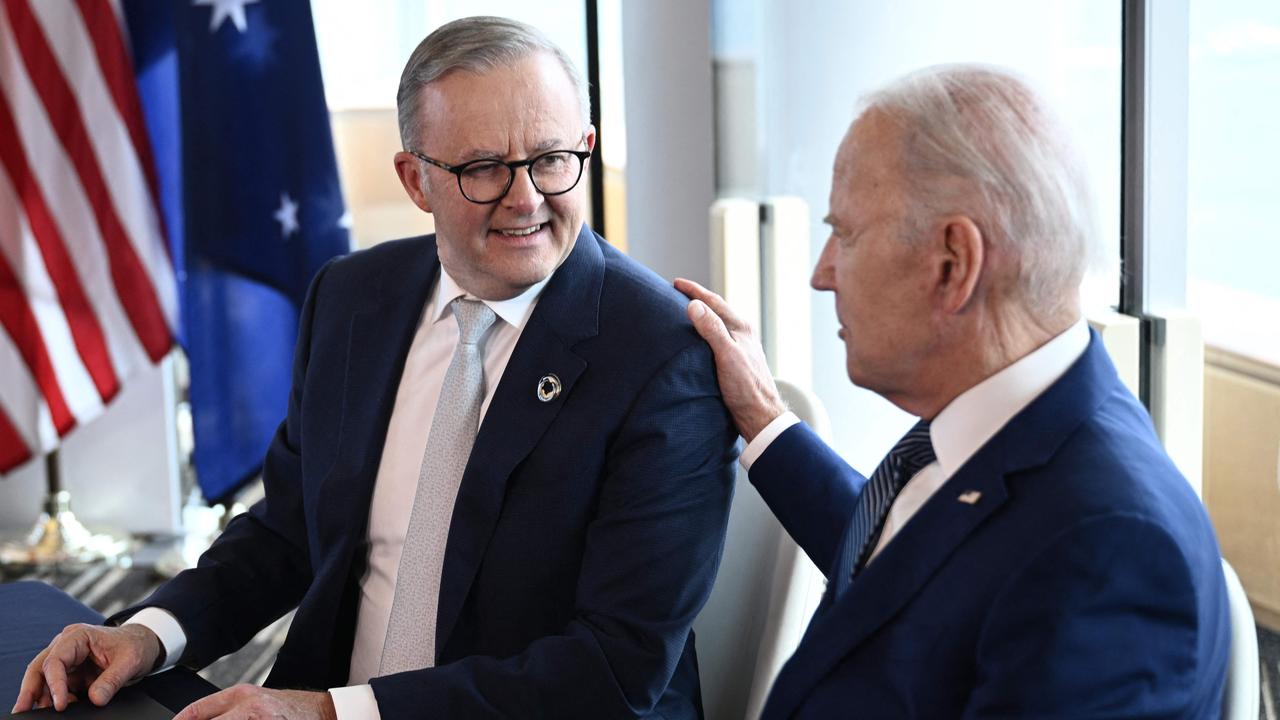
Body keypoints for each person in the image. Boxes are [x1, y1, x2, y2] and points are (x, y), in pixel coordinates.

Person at [14, 16, 736, 720]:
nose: (526, 198)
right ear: (415, 180)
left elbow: (614, 669)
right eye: (484, 168)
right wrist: (148, 634)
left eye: (551, 159)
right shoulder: (352, 298)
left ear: (586, 146)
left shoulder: (661, 356)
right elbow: (289, 530)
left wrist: (334, 712)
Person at [677, 64, 1230, 718]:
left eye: (845, 234)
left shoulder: (1111, 553)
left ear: (953, 264)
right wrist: (764, 418)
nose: (820, 274)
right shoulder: (1013, 422)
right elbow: (916, 569)